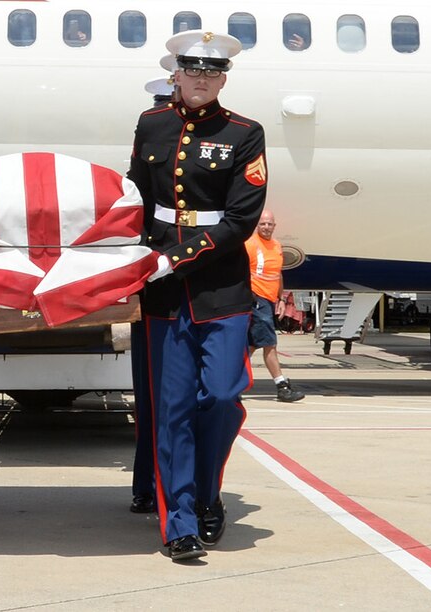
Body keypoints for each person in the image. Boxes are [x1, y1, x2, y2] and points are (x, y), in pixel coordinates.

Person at [127, 30, 266, 561]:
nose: (201, 79)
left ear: (223, 78)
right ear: (176, 76)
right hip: (161, 293)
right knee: (171, 410)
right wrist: (125, 252)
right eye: (192, 70)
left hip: (221, 286)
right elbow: (136, 193)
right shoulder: (152, 124)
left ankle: (208, 490)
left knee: (224, 396)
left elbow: (240, 218)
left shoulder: (244, 133)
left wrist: (175, 257)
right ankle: (179, 521)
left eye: (211, 72)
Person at [129, 71, 178, 516]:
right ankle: (147, 483)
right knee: (151, 397)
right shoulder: (150, 135)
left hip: (201, 279)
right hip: (155, 282)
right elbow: (135, 202)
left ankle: (183, 489)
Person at [246, 210, 305, 402]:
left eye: (269, 224)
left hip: (270, 300)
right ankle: (281, 385)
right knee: (269, 344)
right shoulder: (250, 244)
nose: (266, 227)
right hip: (257, 299)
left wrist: (280, 299)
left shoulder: (277, 246)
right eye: (262, 224)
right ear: (257, 225)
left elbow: (278, 275)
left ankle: (226, 380)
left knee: (252, 344)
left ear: (274, 226)